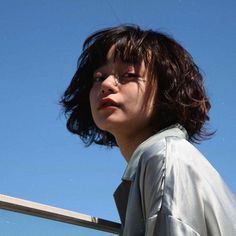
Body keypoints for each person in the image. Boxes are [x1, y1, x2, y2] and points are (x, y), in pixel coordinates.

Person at [60, 25, 236, 235]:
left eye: (128, 75)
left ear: (166, 88)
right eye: (98, 77)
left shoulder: (164, 158)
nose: (106, 84)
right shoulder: (162, 158)